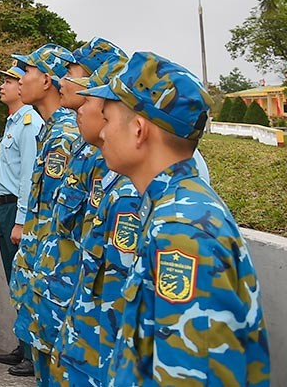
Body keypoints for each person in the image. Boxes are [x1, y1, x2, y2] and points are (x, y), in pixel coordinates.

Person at [89, 52, 271, 386]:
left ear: (139, 130)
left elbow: (189, 374)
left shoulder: (182, 231)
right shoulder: (171, 207)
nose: (102, 133)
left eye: (108, 120)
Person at [55, 54, 137, 386]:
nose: (101, 125)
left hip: (105, 350)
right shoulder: (122, 181)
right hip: (88, 335)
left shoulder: (133, 196)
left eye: (106, 113)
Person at [8, 43, 77, 382]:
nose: (20, 79)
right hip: (41, 268)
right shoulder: (49, 130)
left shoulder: (65, 135)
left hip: (56, 276)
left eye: (28, 72)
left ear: (48, 80)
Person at [0, 63, 42, 372]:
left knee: (23, 281)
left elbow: (28, 177)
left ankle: (33, 354)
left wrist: (21, 220)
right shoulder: (14, 122)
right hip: (4, 206)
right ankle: (23, 346)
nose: (4, 85)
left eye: (11, 80)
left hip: (15, 209)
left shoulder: (30, 123)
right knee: (14, 281)